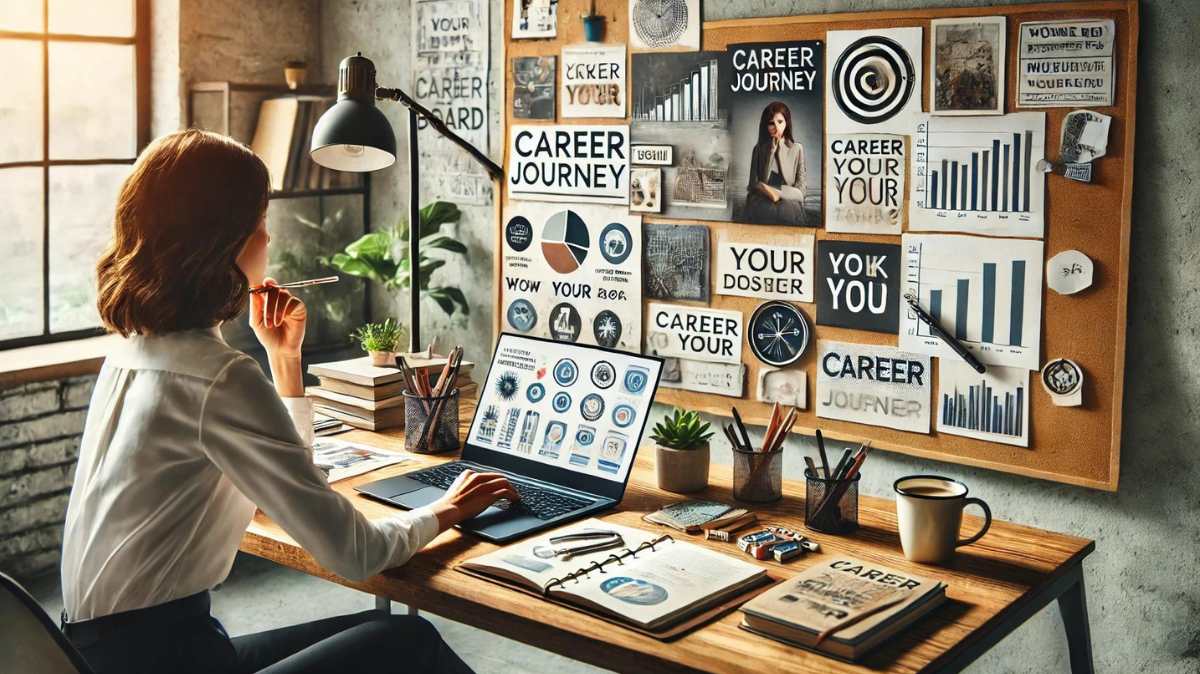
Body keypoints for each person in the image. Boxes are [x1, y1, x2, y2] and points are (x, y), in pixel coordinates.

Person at [57, 129, 518, 673]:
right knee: (408, 644)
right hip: (169, 659)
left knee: (385, 631)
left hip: (100, 655)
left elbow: (283, 483)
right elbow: (355, 553)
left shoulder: (132, 354)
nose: (268, 240)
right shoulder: (218, 376)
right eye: (259, 225)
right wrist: (447, 509)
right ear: (221, 243)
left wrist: (285, 364)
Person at [743, 101, 809, 226]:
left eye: (780, 122)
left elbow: (802, 187)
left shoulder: (797, 148)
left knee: (791, 206)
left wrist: (780, 192)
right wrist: (772, 151)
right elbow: (753, 183)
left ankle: (776, 193)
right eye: (771, 123)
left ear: (786, 123)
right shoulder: (758, 149)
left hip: (787, 193)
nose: (776, 127)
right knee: (760, 205)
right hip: (764, 194)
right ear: (765, 126)